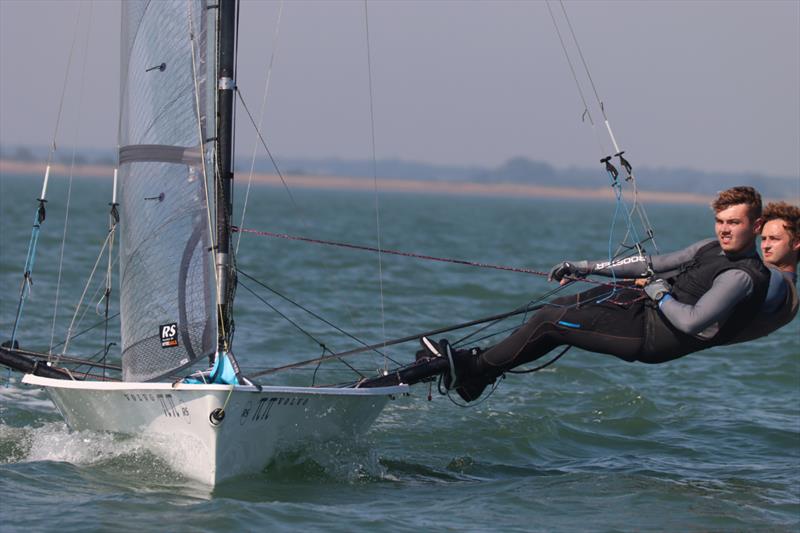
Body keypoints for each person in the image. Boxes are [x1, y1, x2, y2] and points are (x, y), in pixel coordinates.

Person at [421, 186, 774, 402]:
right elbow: (652, 263)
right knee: (561, 305)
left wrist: (660, 293)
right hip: (644, 312)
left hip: (652, 337)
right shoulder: (710, 247)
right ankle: (475, 377)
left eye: (735, 223)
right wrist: (586, 266)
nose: (725, 230)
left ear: (756, 226)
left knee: (549, 322)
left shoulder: (741, 277)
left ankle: (473, 370)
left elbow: (693, 320)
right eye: (721, 221)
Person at [727, 201, 798, 343]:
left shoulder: (776, 281)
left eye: (774, 239)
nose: (765, 246)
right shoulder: (790, 298)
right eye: (763, 239)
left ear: (796, 243)